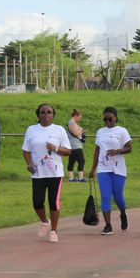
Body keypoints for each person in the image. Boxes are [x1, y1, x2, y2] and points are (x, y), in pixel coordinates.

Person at [22, 103, 72, 243]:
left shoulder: (59, 130)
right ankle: (45, 221)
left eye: (49, 112)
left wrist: (55, 148)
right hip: (38, 172)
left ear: (53, 115)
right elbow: (26, 150)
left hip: (55, 173)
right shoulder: (31, 129)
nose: (45, 115)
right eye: (42, 112)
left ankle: (53, 231)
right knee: (37, 202)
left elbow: (68, 151)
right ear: (38, 115)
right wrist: (29, 163)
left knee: (53, 202)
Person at [89, 106, 133, 234]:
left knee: (118, 197)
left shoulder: (122, 131)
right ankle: (108, 226)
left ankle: (123, 214)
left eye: (110, 119)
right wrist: (93, 169)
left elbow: (129, 148)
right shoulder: (100, 132)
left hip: (118, 169)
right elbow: (97, 151)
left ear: (116, 118)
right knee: (106, 197)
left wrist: (118, 151)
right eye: (105, 119)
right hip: (103, 169)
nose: (107, 121)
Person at [66, 109, 87, 182]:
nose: (80, 119)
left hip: (73, 145)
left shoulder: (71, 122)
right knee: (81, 161)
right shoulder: (71, 123)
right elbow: (75, 133)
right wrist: (82, 131)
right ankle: (80, 178)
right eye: (79, 117)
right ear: (75, 116)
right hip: (75, 145)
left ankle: (71, 178)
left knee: (72, 161)